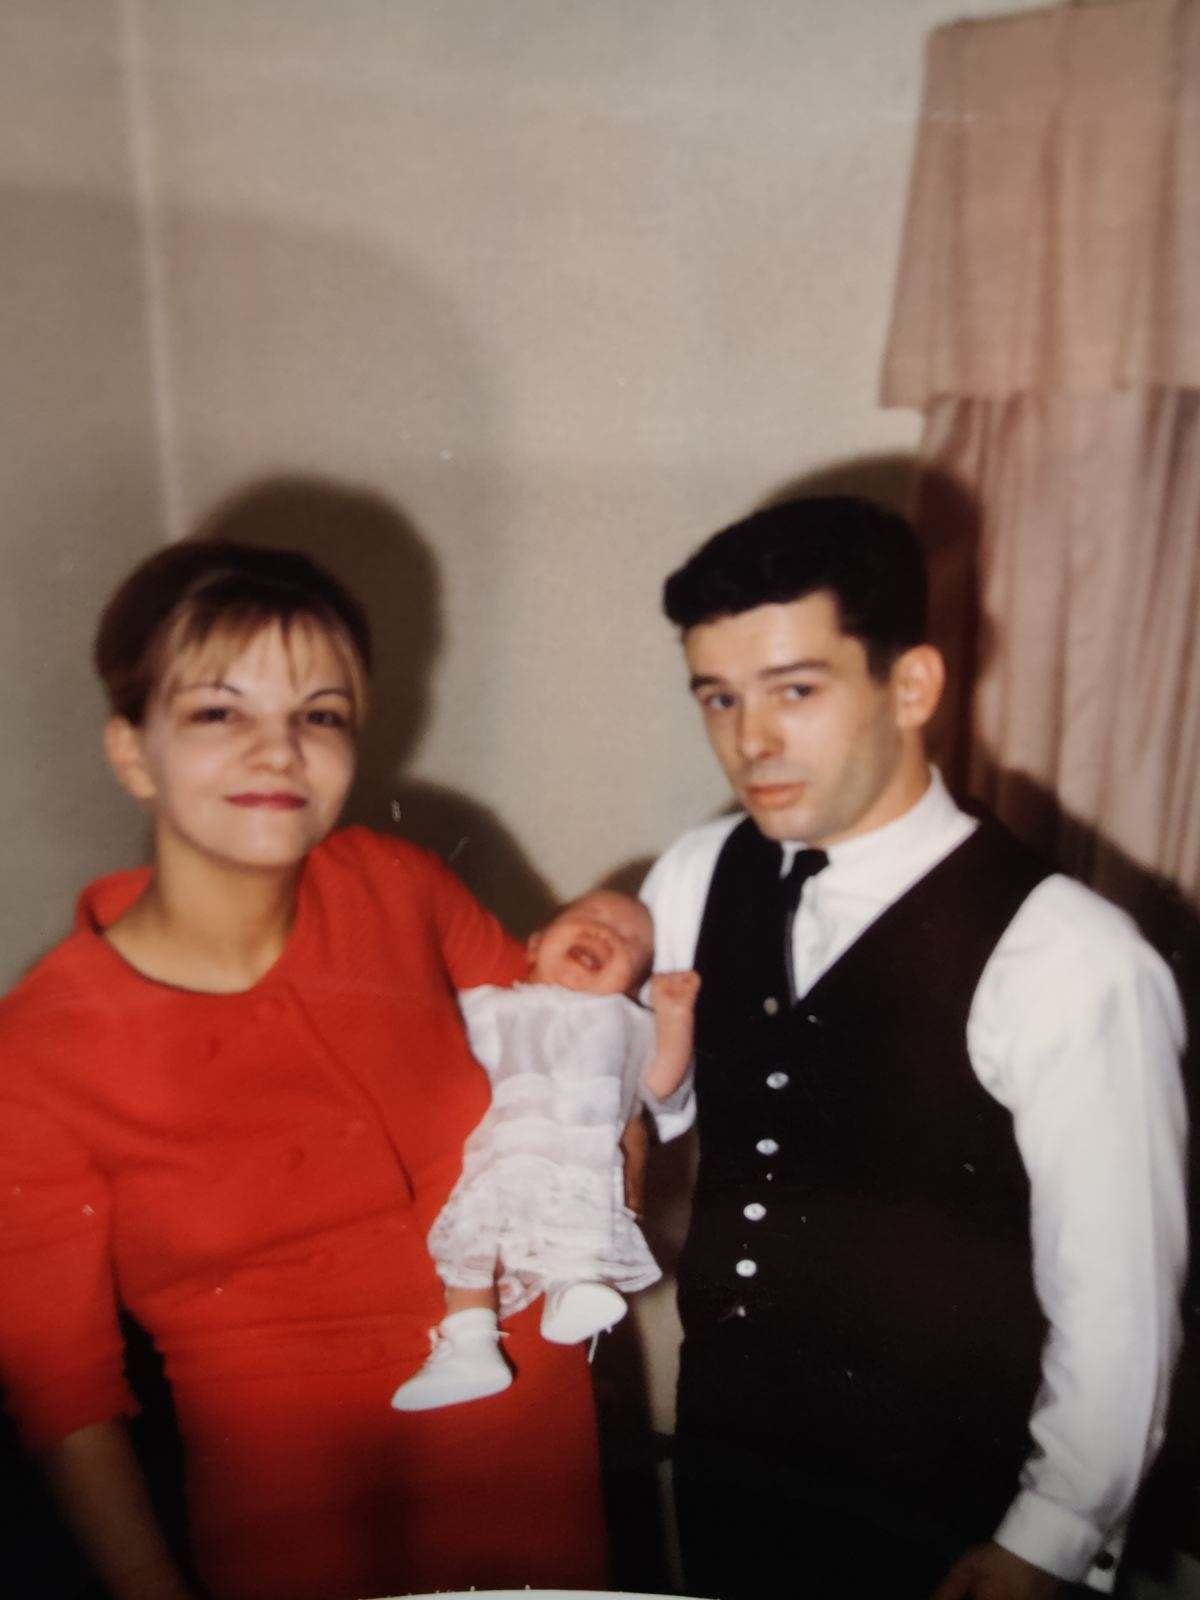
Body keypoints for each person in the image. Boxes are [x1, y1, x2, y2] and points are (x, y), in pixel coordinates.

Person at [0, 538, 607, 1600]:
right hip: (297, 1514)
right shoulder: (39, 1050)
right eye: (220, 712)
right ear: (133, 750)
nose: (278, 752)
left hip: (531, 1444)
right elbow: (65, 1392)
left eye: (319, 715)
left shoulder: (398, 887)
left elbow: (573, 1062)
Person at [641, 496, 1187, 1600]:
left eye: (796, 690)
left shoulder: (1071, 954)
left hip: (954, 1526)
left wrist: (1048, 1539)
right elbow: (682, 1107)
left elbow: (1121, 1298)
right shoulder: (697, 874)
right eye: (719, 697)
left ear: (913, 686)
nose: (751, 741)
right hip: (726, 1483)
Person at [391, 890, 699, 1411]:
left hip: (581, 1167)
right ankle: (470, 1342)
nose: (606, 933)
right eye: (590, 917)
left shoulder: (628, 1021)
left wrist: (674, 1016)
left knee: (578, 1227)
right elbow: (425, 1053)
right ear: (533, 944)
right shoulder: (487, 1003)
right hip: (501, 1153)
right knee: (475, 1237)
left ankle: (571, 1291)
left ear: (632, 983)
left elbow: (665, 1087)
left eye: (629, 942)